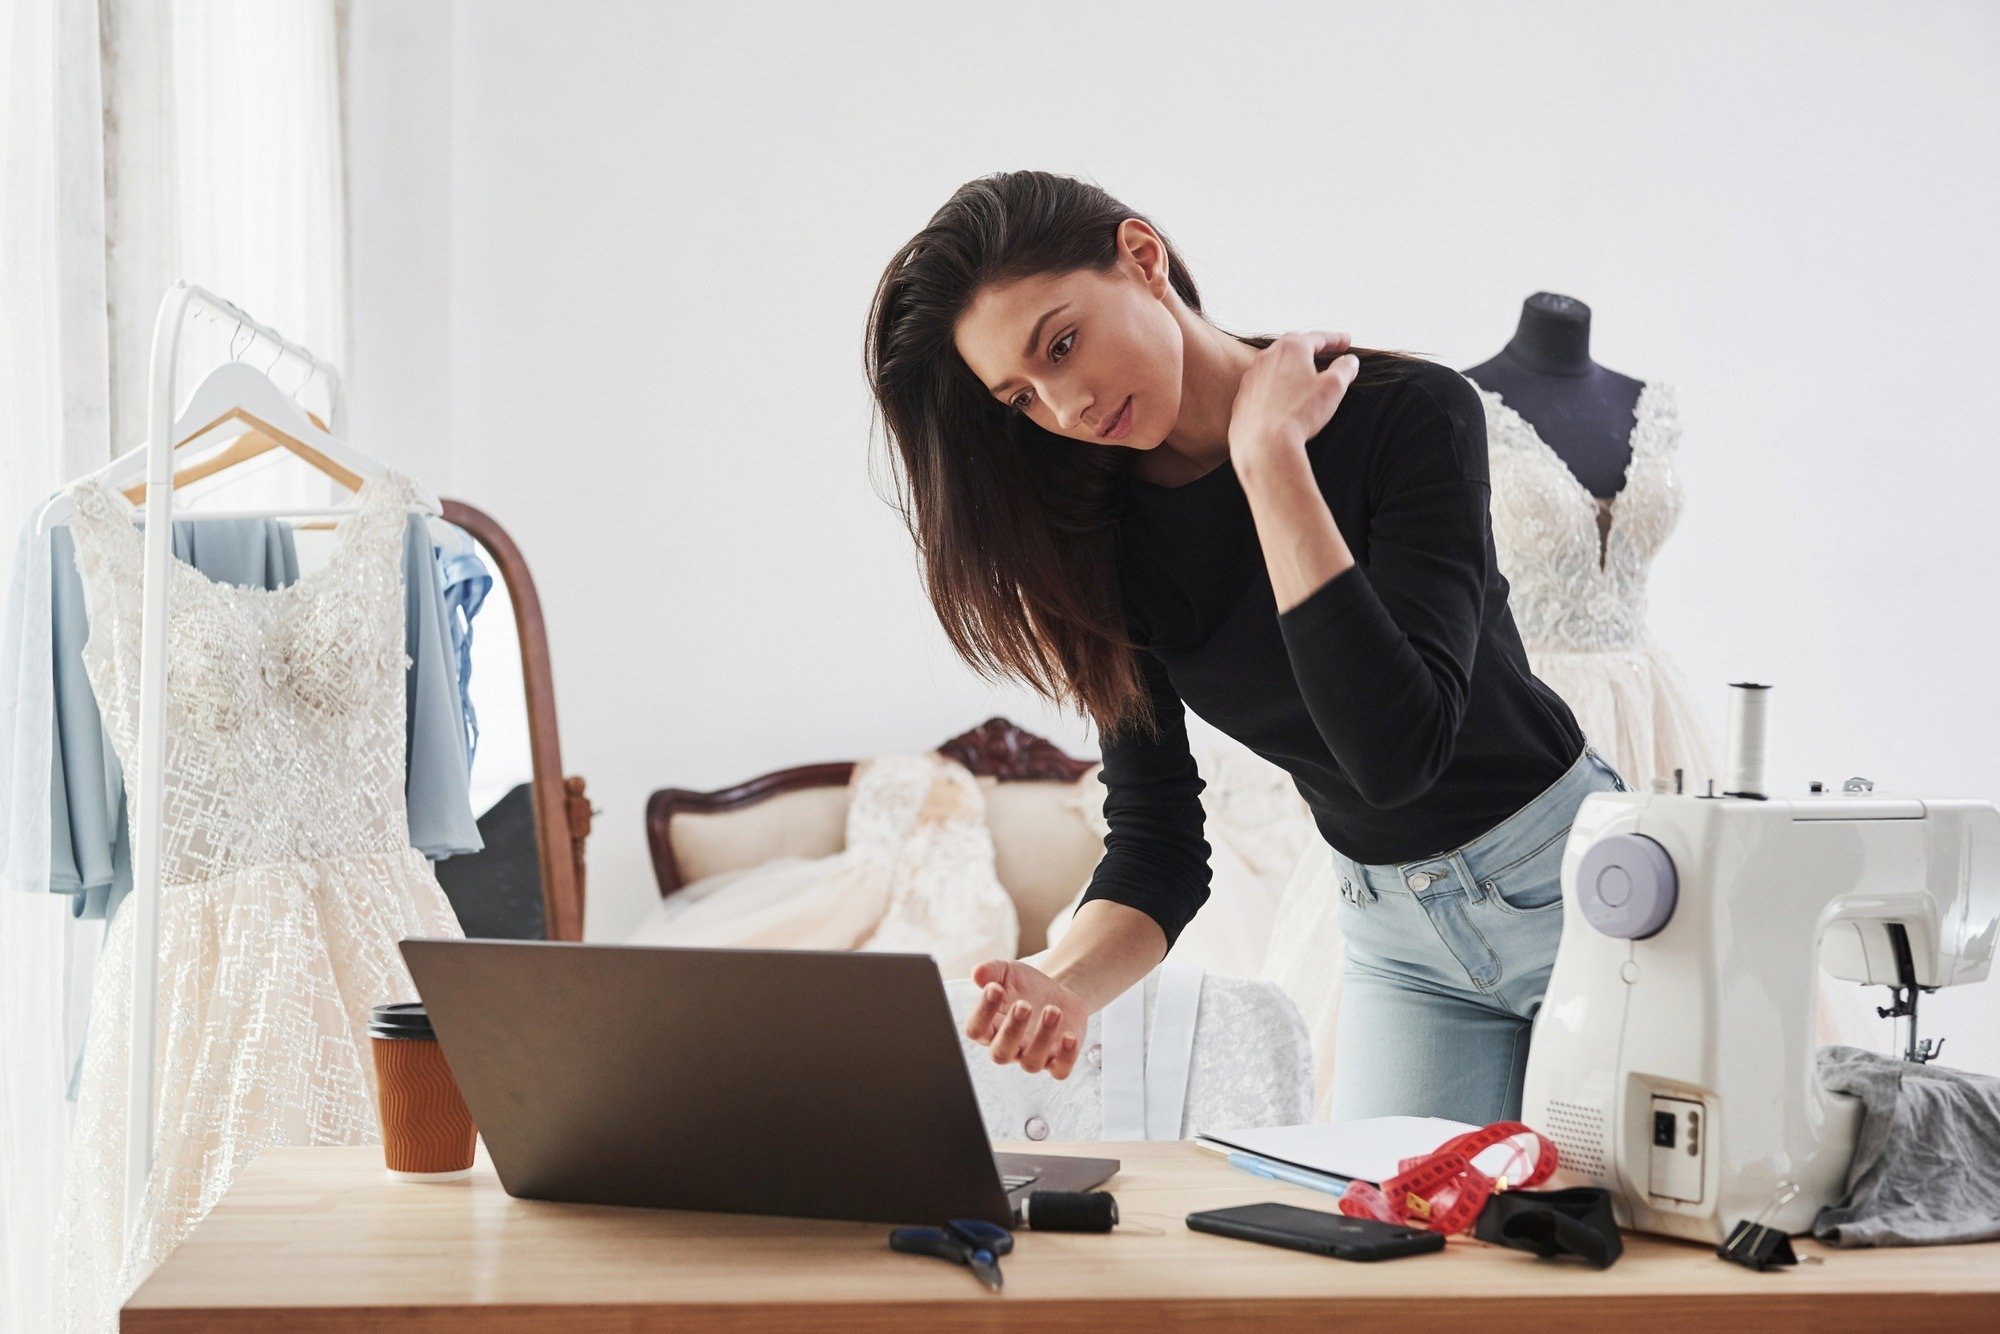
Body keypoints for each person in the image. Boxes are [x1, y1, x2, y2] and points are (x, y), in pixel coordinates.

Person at [863, 170, 1626, 1124]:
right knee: (1407, 1263)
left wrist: (1271, 461)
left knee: (1609, 1246)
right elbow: (1157, 845)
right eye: (1022, 396)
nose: (1064, 408)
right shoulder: (1106, 544)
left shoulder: (1409, 416)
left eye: (1063, 344)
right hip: (1397, 937)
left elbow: (1401, 752)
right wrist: (1066, 982)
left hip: (1574, 893)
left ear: (1142, 259)